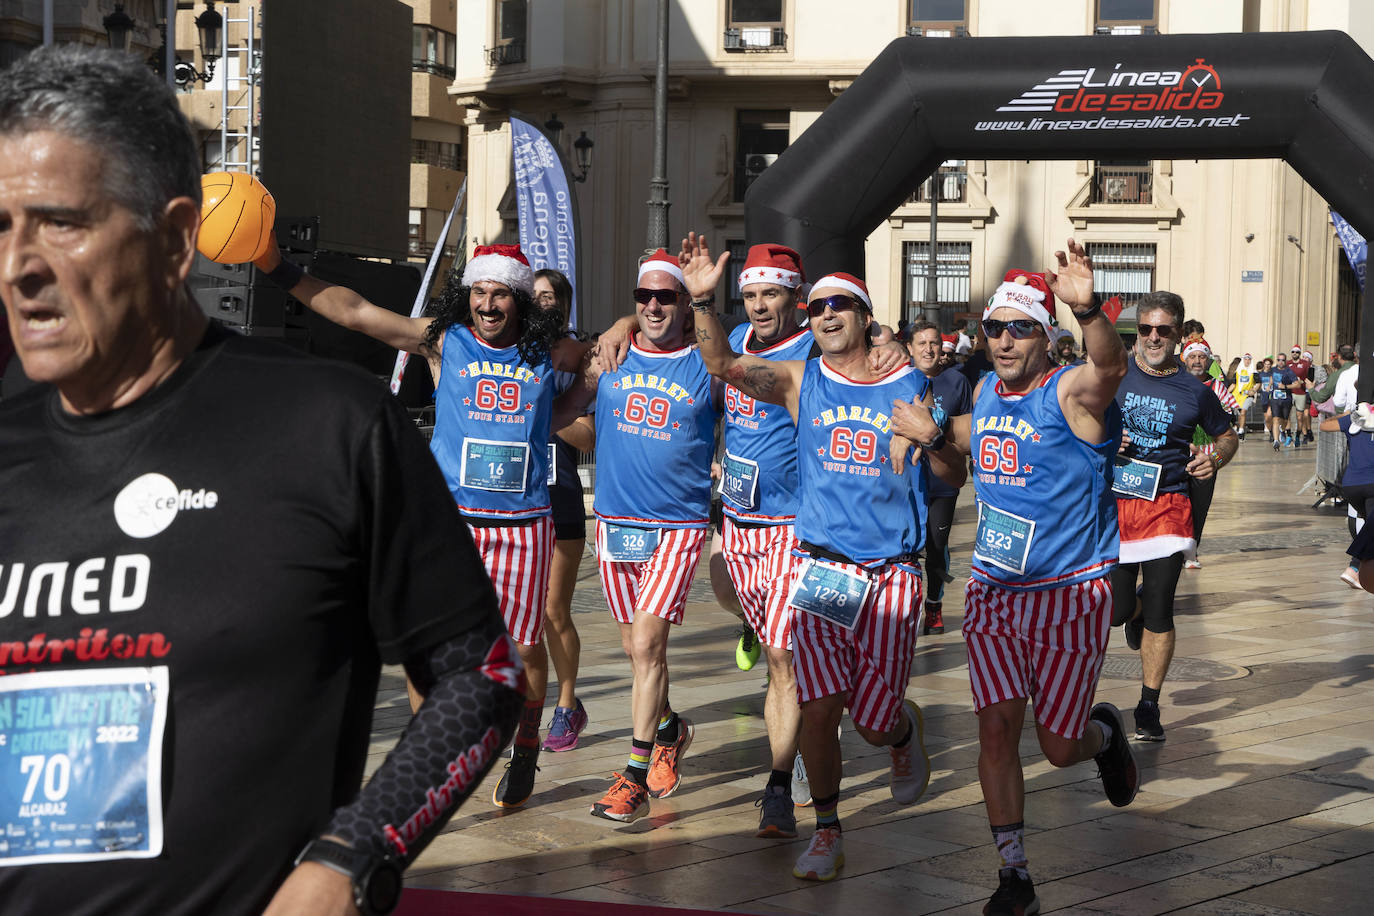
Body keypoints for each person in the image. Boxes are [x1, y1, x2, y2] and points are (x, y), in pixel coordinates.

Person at [0, 45, 523, 915]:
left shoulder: (326, 427)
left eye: (59, 223)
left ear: (172, 240)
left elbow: (483, 679)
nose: (20, 266)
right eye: (0, 227)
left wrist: (351, 858)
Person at [254, 236, 616, 811]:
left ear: (519, 299)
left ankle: (524, 749)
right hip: (450, 524)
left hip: (523, 527)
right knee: (428, 649)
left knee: (523, 650)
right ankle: (430, 762)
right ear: (467, 294)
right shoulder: (444, 341)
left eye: (500, 294)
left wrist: (618, 329)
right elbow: (354, 311)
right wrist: (277, 268)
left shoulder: (551, 351)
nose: (489, 305)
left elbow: (603, 355)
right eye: (479, 292)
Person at [685, 234, 956, 882]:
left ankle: (897, 734)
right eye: (821, 308)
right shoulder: (801, 381)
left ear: (865, 318)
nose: (828, 315)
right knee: (819, 699)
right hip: (821, 563)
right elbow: (722, 363)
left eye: (842, 305)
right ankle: (826, 830)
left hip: (891, 571)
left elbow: (953, 470)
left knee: (870, 717)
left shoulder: (908, 382)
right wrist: (700, 299)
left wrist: (935, 435)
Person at [891, 246, 1139, 916]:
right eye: (993, 328)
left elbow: (1109, 366)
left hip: (1069, 594)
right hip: (996, 593)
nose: (1001, 339)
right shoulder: (982, 390)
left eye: (1018, 328)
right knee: (996, 731)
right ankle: (1013, 877)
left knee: (1059, 750)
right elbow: (972, 440)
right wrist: (935, 432)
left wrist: (1088, 308)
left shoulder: (1068, 391)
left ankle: (1105, 736)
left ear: (1045, 336)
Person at [581, 249, 719, 824]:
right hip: (615, 522)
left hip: (678, 526)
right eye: (645, 297)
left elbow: (726, 362)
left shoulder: (702, 364)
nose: (655, 305)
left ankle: (633, 776)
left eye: (667, 295)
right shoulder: (610, 353)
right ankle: (669, 728)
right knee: (635, 651)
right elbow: (578, 414)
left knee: (648, 646)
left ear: (685, 304)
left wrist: (707, 299)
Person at [1112, 293, 1238, 743]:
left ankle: (1148, 704)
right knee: (1116, 610)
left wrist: (1215, 459)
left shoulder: (1195, 390)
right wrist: (1106, 439)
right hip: (1115, 503)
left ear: (1179, 334)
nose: (1151, 338)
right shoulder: (1114, 373)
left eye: (1162, 330)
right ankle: (1135, 607)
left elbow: (1227, 437)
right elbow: (1075, 417)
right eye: (1144, 329)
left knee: (1163, 604)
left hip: (1167, 502)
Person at [534, 268, 594, 752]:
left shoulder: (576, 358)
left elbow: (592, 436)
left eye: (549, 297)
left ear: (565, 306)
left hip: (560, 493)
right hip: (511, 500)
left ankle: (567, 704)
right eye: (532, 296)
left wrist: (547, 413)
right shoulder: (509, 351)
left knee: (554, 610)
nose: (540, 303)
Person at [908, 320, 972, 635]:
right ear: (910, 348)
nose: (929, 349)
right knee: (905, 548)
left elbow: (967, 430)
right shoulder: (899, 379)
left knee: (937, 546)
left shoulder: (957, 382)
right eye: (921, 343)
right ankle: (902, 609)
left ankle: (933, 604)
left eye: (934, 343)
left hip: (942, 483)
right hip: (905, 482)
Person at [1181, 336, 1239, 569]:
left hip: (1206, 457)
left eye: (1202, 357)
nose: (1197, 361)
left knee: (1199, 506)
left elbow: (1230, 412)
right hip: (1178, 455)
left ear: (1208, 361)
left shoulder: (1216, 386)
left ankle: (1191, 552)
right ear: (1185, 360)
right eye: (1192, 356)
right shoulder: (1177, 383)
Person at [1267, 352, 1300, 449]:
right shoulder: (1272, 370)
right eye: (1279, 360)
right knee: (1275, 419)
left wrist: (1285, 386)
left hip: (1286, 399)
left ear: (1286, 361)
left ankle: (1283, 430)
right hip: (1275, 398)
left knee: (1285, 420)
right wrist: (1269, 385)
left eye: (1283, 360)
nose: (1280, 362)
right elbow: (1271, 378)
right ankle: (1276, 441)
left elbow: (1297, 384)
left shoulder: (1289, 371)